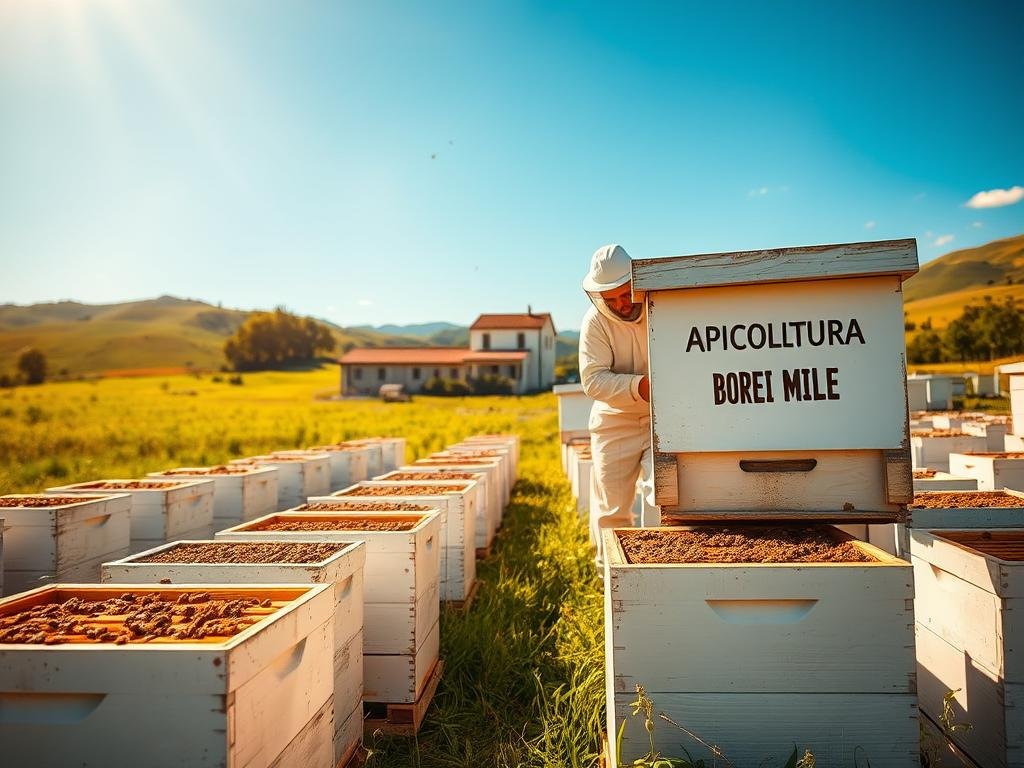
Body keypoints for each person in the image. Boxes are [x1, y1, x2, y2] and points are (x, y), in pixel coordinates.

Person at [579, 244, 654, 566]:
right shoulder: (595, 322)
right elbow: (593, 380)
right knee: (612, 509)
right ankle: (610, 582)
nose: (622, 305)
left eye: (626, 295)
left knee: (660, 497)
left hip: (661, 419)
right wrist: (640, 386)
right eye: (612, 300)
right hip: (614, 422)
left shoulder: (662, 306)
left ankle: (659, 573)